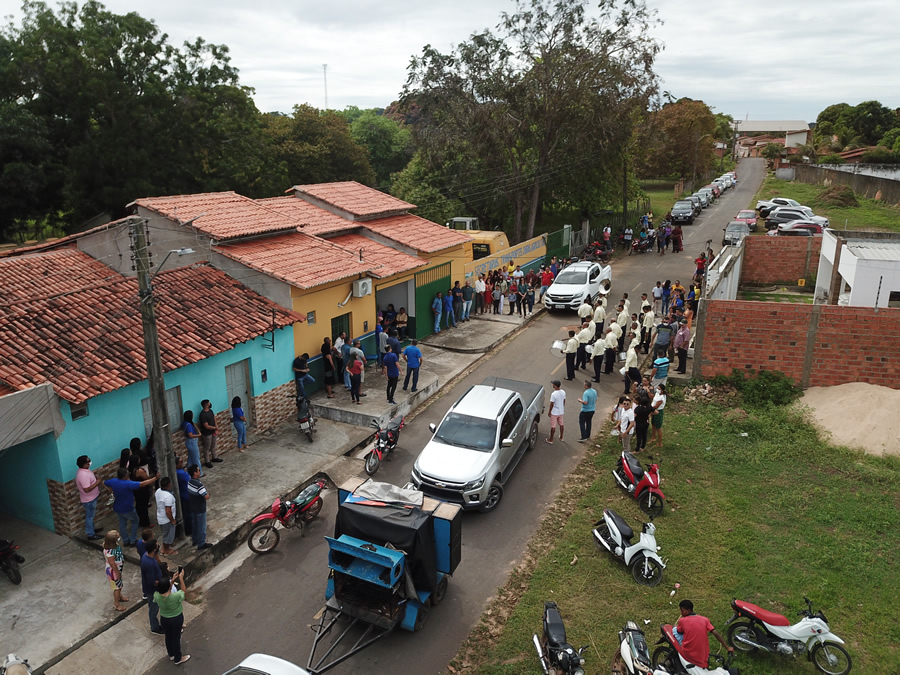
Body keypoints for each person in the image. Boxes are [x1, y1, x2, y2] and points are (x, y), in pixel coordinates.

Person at [104, 467, 159, 546]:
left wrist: (112, 490)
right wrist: (155, 478)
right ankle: (133, 540)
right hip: (128, 508)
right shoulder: (128, 484)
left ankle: (126, 541)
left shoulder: (113, 482)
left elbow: (105, 483)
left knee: (122, 524)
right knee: (135, 521)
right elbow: (142, 484)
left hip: (118, 508)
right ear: (125, 476)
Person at [674, 599, 733, 669]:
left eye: (682, 610)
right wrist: (727, 647)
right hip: (703, 655)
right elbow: (716, 633)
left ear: (688, 610)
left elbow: (679, 631)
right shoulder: (704, 619)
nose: (681, 613)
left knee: (674, 630)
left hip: (688, 654)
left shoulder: (682, 621)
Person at [154, 569, 191, 665]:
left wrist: (172, 581)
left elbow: (165, 591)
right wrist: (181, 579)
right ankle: (178, 658)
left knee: (168, 636)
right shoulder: (175, 596)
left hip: (164, 619)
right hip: (176, 618)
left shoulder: (157, 596)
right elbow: (183, 591)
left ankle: (171, 654)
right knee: (176, 638)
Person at [75, 455, 103, 540]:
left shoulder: (85, 470)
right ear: (83, 464)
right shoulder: (83, 475)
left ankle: (92, 529)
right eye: (88, 462)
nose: (90, 463)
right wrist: (97, 482)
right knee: (89, 517)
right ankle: (90, 534)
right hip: (89, 500)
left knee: (91, 516)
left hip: (92, 498)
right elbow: (86, 489)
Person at [141, 539, 165, 634]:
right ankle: (154, 627)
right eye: (157, 546)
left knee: (153, 606)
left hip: (151, 588)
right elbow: (152, 581)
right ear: (154, 549)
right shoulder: (149, 563)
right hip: (153, 590)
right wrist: (164, 583)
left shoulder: (146, 556)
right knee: (153, 608)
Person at [187, 464, 212, 550]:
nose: (199, 471)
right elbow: (206, 496)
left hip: (192, 507)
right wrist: (209, 495)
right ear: (195, 473)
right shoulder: (199, 485)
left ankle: (195, 540)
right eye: (198, 470)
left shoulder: (189, 482)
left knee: (195, 524)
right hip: (200, 509)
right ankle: (201, 544)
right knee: (201, 526)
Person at [103, 530, 128, 611]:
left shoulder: (112, 545)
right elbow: (112, 564)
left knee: (119, 585)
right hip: (113, 571)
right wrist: (117, 573)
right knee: (117, 587)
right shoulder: (110, 552)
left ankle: (119, 596)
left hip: (118, 569)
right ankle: (116, 604)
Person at [155, 477, 178, 556]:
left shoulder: (158, 491)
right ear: (169, 485)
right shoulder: (168, 496)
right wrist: (172, 520)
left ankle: (164, 548)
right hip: (167, 519)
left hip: (161, 517)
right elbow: (168, 511)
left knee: (165, 534)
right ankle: (166, 550)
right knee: (168, 535)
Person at [198, 399, 220, 468]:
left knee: (213, 445)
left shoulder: (210, 411)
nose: (210, 404)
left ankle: (214, 457)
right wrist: (215, 428)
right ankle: (207, 461)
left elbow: (214, 418)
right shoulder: (202, 415)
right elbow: (206, 426)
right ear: (207, 405)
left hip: (213, 432)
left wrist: (216, 427)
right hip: (207, 433)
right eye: (209, 403)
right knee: (207, 448)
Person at [181, 412, 202, 476]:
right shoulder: (189, 425)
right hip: (192, 442)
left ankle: (188, 471)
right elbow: (190, 435)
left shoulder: (184, 423)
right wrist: (198, 435)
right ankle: (200, 473)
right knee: (196, 458)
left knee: (190, 458)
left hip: (189, 442)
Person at [175, 457, 192, 537]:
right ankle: (189, 530)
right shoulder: (181, 473)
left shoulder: (178, 472)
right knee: (187, 513)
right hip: (186, 495)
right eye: (180, 462)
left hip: (182, 494)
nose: (182, 463)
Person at [651, 384, 667, 448]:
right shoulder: (657, 394)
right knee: (653, 425)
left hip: (658, 412)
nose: (657, 390)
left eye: (659, 389)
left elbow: (656, 406)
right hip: (653, 410)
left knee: (658, 427)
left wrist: (650, 410)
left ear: (662, 390)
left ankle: (660, 443)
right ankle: (653, 437)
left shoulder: (662, 398)